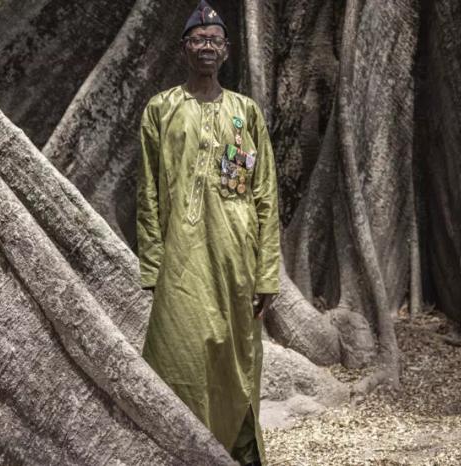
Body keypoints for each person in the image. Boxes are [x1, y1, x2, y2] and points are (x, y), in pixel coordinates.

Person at [136, 1, 281, 464]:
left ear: (226, 51)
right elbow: (149, 195)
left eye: (214, 41)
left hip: (237, 260)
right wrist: (153, 264)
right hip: (180, 263)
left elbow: (265, 195)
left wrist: (267, 274)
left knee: (236, 359)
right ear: (184, 48)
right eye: (198, 40)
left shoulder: (246, 112)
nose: (206, 47)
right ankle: (180, 449)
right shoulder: (160, 109)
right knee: (174, 356)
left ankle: (239, 452)